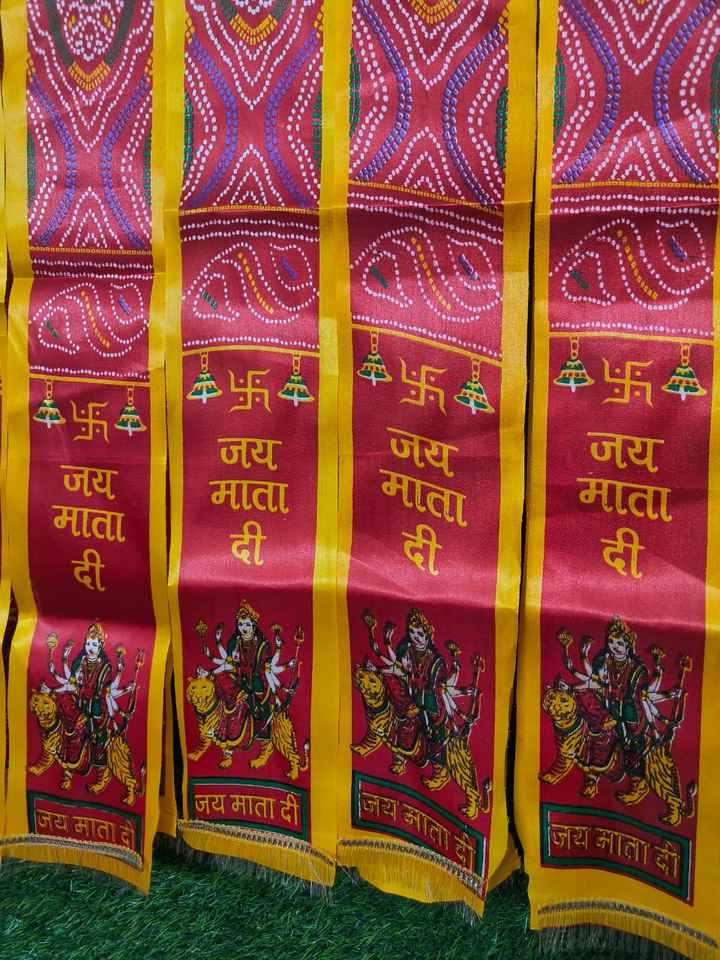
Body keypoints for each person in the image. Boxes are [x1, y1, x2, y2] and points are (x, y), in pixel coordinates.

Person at [393, 607, 451, 789]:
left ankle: (440, 771)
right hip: (412, 698)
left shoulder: (436, 663)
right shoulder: (407, 652)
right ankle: (400, 758)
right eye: (411, 632)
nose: (415, 637)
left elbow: (437, 694)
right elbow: (399, 673)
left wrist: (421, 707)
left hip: (432, 706)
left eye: (420, 633)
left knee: (434, 733)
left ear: (428, 636)